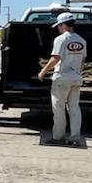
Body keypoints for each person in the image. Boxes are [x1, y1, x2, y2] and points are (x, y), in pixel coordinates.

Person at [37, 11, 87, 146]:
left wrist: (43, 71)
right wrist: (77, 74)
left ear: (64, 25)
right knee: (74, 108)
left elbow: (55, 58)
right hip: (76, 78)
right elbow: (83, 61)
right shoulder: (81, 40)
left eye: (59, 25)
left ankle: (58, 137)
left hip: (62, 77)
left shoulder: (61, 39)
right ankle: (75, 138)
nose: (58, 28)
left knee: (58, 108)